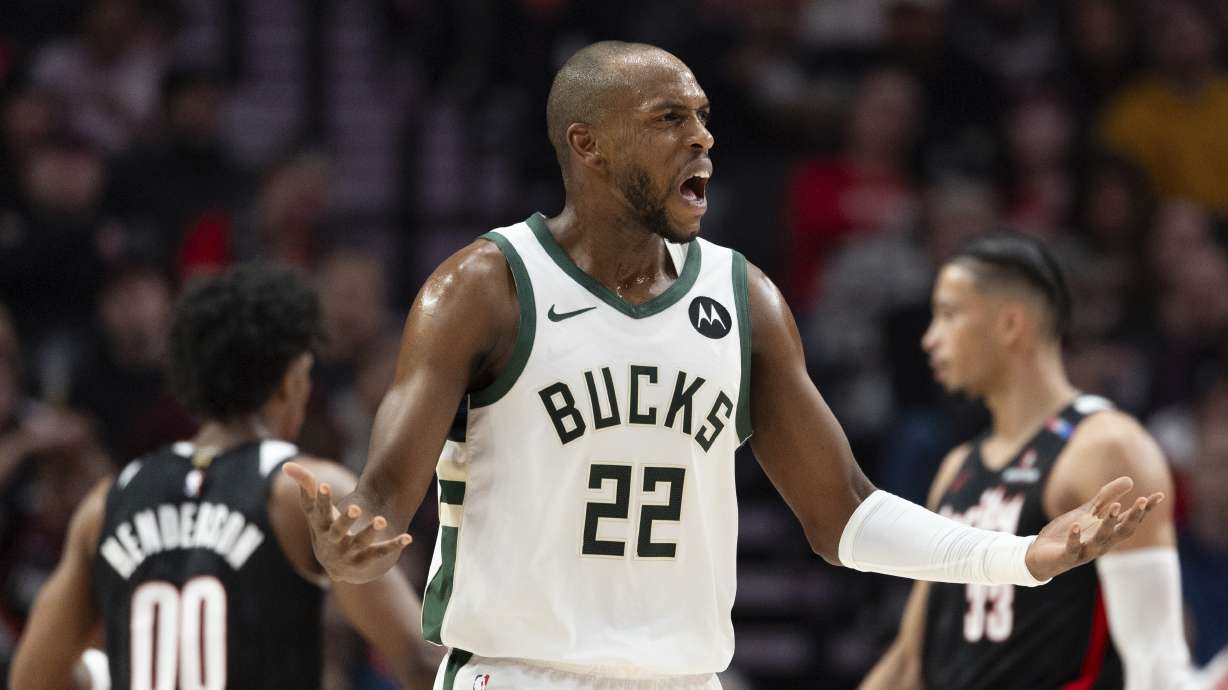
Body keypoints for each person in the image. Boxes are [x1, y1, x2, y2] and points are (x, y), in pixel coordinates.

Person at [286, 42, 1160, 690]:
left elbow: (844, 513)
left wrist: (1022, 555)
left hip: (684, 679)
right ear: (588, 145)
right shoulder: (483, 288)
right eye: (670, 119)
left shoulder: (745, 299)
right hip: (517, 673)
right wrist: (351, 547)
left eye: (704, 116)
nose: (703, 138)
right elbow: (382, 499)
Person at [8, 266, 440, 690]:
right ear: (291, 380)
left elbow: (33, 679)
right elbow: (420, 663)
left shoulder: (107, 504)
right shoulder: (303, 490)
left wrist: (102, 673)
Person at [860, 233, 1215, 690]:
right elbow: (911, 660)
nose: (930, 339)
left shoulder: (1108, 448)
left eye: (949, 314)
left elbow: (1155, 656)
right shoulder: (957, 466)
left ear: (1010, 323)